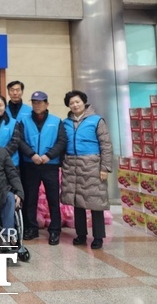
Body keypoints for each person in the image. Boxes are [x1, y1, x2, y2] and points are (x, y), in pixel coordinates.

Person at [62, 90, 113, 250]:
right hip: (71, 165)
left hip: (92, 165)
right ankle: (81, 234)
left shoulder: (97, 120)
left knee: (95, 202)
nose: (75, 105)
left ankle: (98, 237)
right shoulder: (65, 123)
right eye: (71, 103)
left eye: (77, 101)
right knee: (77, 202)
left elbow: (106, 145)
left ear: (84, 102)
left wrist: (105, 167)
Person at [18, 91, 67, 245]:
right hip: (30, 164)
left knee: (53, 199)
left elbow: (61, 141)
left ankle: (54, 230)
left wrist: (48, 156)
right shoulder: (23, 121)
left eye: (40, 102)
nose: (37, 105)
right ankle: (31, 228)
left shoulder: (56, 121)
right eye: (34, 102)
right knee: (30, 198)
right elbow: (19, 140)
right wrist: (32, 154)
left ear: (47, 104)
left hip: (50, 165)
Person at [0, 95, 23, 168]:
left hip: (10, 163)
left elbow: (15, 142)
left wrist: (1, 156)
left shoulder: (14, 123)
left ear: (5, 107)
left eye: (0, 105)